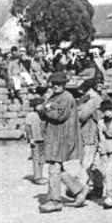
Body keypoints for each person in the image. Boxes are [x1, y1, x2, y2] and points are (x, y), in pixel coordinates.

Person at [37, 72, 88, 213]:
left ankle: (55, 201)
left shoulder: (66, 97)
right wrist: (43, 110)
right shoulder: (54, 97)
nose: (55, 86)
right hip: (53, 136)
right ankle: (78, 190)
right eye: (53, 84)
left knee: (53, 167)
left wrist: (45, 110)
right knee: (57, 167)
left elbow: (60, 116)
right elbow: (44, 112)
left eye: (58, 84)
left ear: (64, 84)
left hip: (62, 137)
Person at [24, 97, 47, 185]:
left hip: (43, 139)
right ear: (34, 106)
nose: (41, 106)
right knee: (36, 158)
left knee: (42, 159)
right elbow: (27, 127)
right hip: (35, 139)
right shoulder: (31, 115)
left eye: (42, 104)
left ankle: (40, 175)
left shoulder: (43, 115)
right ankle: (37, 177)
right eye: (39, 105)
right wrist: (30, 138)